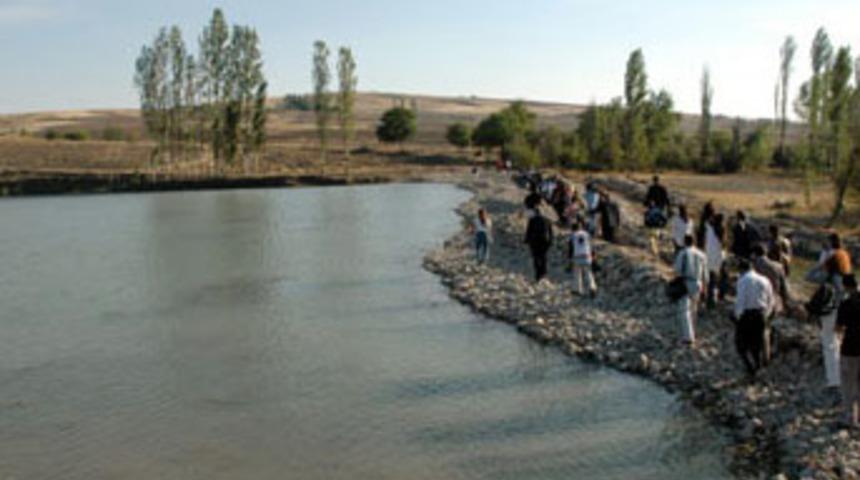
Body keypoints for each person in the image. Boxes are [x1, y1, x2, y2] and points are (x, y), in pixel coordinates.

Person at [818, 233, 854, 389]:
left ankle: (834, 379)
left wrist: (822, 263)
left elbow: (810, 275)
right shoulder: (845, 261)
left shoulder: (830, 278)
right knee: (840, 342)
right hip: (844, 310)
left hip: (831, 311)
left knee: (829, 344)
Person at [733, 259, 776, 377]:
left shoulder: (743, 280)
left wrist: (738, 316)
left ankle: (750, 367)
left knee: (740, 344)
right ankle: (758, 367)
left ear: (741, 270)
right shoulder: (765, 280)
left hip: (747, 314)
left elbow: (740, 299)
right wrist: (766, 314)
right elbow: (771, 299)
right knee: (756, 344)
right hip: (761, 314)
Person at [751, 243, 790, 363]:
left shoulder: (754, 266)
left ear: (755, 254)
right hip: (775, 301)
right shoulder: (778, 266)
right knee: (768, 326)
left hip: (759, 302)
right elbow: (784, 288)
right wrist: (786, 302)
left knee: (761, 330)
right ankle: (769, 351)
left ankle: (763, 355)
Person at [674, 234, 708, 345]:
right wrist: (704, 287)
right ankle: (693, 332)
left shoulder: (683, 253)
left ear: (685, 242)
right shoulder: (702, 254)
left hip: (686, 282)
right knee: (694, 309)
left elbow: (677, 269)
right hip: (698, 282)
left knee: (684, 310)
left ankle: (688, 337)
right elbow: (706, 274)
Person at [836, 274, 860, 427]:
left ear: (845, 286)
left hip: (850, 348)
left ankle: (849, 417)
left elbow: (838, 328)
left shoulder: (845, 304)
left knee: (848, 385)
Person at [568, 221, 597, 298]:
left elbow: (571, 248)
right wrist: (593, 255)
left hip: (577, 256)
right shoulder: (587, 234)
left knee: (577, 273)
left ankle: (577, 289)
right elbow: (592, 246)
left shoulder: (573, 236)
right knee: (588, 272)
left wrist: (570, 258)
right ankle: (592, 287)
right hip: (587, 256)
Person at [524, 207, 554, 282]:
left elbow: (529, 231)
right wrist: (551, 241)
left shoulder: (532, 220)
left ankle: (538, 274)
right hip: (545, 241)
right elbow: (551, 232)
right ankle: (543, 272)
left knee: (536, 257)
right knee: (543, 257)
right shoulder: (547, 220)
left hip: (535, 241)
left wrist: (526, 240)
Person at [705, 213, 728, 308]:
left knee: (711, 279)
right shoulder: (721, 232)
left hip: (710, 256)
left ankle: (710, 301)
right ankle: (721, 296)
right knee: (723, 277)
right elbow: (724, 246)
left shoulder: (710, 230)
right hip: (720, 256)